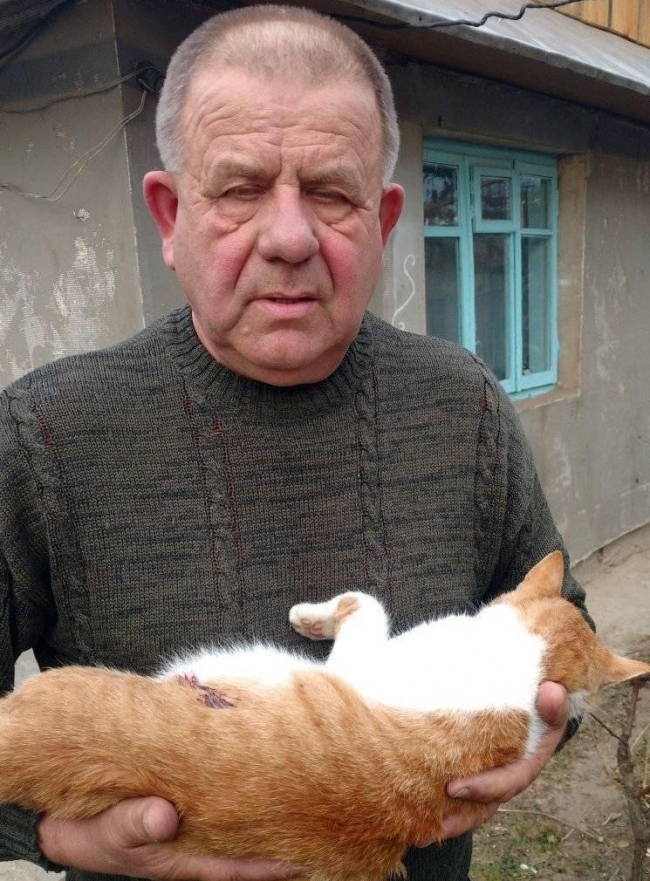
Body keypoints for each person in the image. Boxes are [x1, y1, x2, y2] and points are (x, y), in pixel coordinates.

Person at [0, 6, 583, 881]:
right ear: (170, 215)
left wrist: (543, 725)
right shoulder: (46, 434)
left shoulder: (461, 406)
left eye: (331, 193)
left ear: (385, 220)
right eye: (240, 189)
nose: (288, 237)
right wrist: (47, 834)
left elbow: (565, 624)